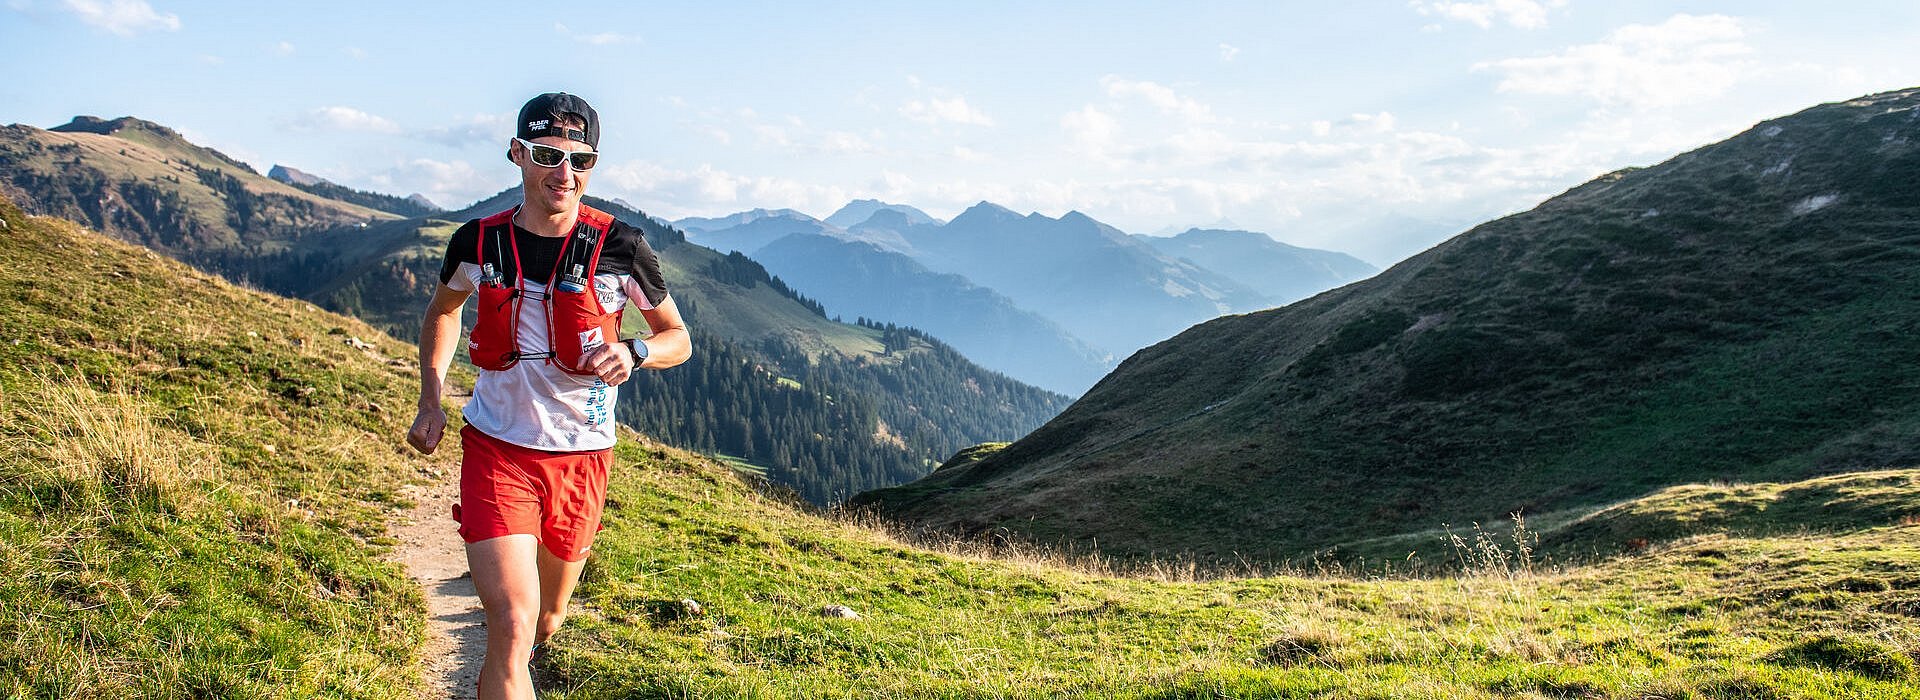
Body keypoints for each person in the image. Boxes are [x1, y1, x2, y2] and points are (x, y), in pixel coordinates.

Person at [406, 92, 690, 699]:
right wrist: (431, 399)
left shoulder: (623, 247)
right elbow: (444, 312)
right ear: (518, 155)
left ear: (593, 165)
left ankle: (538, 642)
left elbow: (677, 339)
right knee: (509, 625)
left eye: (580, 159)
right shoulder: (476, 243)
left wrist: (636, 352)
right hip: (497, 448)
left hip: (582, 454)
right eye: (547, 155)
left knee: (545, 621)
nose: (564, 172)